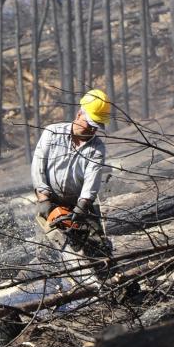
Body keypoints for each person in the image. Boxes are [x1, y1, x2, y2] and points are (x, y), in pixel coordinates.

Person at [31, 89, 113, 279]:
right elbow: (38, 166)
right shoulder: (52, 133)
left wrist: (83, 205)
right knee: (46, 251)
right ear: (79, 114)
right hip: (49, 199)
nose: (92, 129)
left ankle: (111, 282)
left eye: (96, 126)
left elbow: (92, 179)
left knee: (98, 246)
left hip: (80, 201)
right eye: (90, 124)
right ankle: (52, 296)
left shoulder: (97, 148)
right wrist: (44, 200)